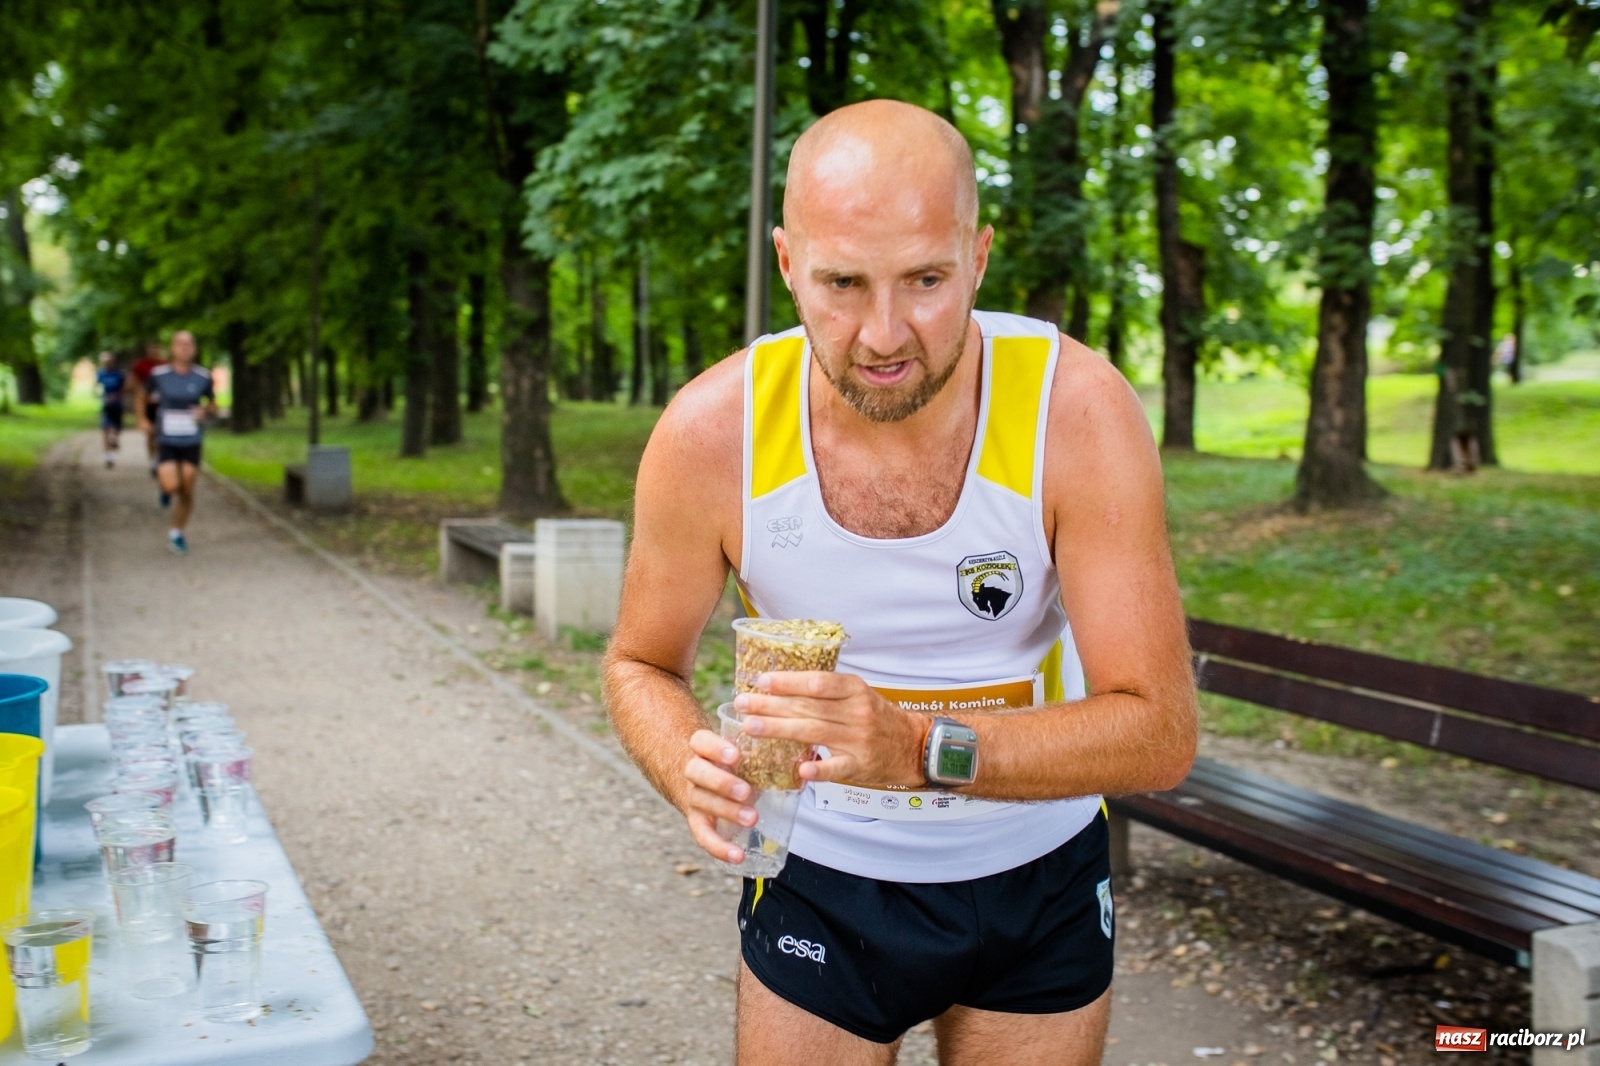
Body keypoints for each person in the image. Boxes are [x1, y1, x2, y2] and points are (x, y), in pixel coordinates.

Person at [603, 100, 1197, 1066]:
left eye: (926, 279)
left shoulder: (1075, 411)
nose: (884, 334)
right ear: (789, 263)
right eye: (842, 282)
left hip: (1038, 874)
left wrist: (918, 747)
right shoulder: (713, 433)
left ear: (979, 255)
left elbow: (1159, 733)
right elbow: (639, 662)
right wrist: (685, 764)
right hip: (820, 879)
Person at [138, 331, 217, 555]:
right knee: (172, 485)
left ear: (194, 349)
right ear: (172, 348)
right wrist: (143, 419)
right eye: (179, 344)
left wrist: (205, 411)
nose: (184, 348)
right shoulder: (159, 374)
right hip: (167, 439)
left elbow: (213, 406)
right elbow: (141, 396)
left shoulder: (203, 376)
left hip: (192, 439)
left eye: (189, 344)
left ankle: (177, 533)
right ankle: (164, 489)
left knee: (188, 487)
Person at [127, 339, 167, 492]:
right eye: (152, 348)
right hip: (147, 405)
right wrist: (142, 394)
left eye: (157, 348)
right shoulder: (141, 366)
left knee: (162, 434)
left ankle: (161, 459)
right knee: (151, 434)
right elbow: (132, 384)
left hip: (163, 405)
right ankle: (152, 461)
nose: (155, 352)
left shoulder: (165, 364)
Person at [95, 352, 126, 468]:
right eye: (104, 362)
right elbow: (97, 388)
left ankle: (115, 439)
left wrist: (117, 396)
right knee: (105, 430)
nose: (106, 364)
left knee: (116, 429)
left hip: (117, 405)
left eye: (108, 361)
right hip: (105, 406)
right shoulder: (100, 374)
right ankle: (108, 456)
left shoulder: (119, 374)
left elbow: (125, 388)